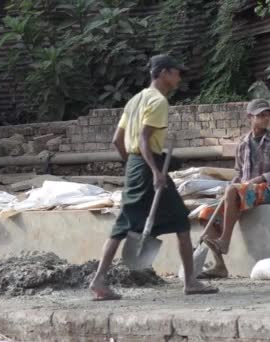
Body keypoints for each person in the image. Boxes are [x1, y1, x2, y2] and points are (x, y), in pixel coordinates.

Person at [89, 55, 219, 300]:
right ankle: (190, 282)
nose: (179, 77)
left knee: (124, 225)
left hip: (136, 167)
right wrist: (155, 171)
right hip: (149, 165)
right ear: (163, 73)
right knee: (179, 220)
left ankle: (99, 280)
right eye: (176, 72)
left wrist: (133, 165)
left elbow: (117, 140)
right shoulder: (158, 101)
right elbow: (143, 139)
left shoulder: (135, 100)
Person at [198, 99, 270, 279]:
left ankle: (224, 240)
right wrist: (232, 186)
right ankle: (219, 266)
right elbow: (238, 171)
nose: (265, 118)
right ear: (250, 117)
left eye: (267, 115)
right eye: (260, 115)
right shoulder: (243, 142)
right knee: (206, 214)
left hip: (266, 192)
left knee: (233, 191)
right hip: (242, 192)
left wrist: (263, 178)